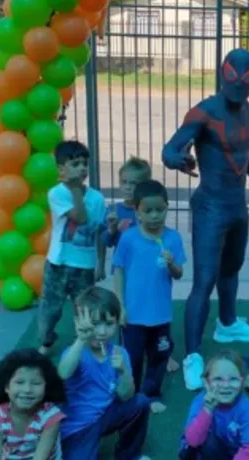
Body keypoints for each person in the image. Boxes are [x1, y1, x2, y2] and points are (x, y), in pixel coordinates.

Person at [162, 48, 249, 390]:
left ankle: (227, 323)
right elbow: (169, 149)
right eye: (234, 77)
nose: (240, 85)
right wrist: (179, 160)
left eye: (248, 78)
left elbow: (244, 151)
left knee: (232, 268)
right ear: (223, 74)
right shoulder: (204, 111)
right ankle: (192, 355)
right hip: (211, 207)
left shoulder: (245, 108)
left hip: (236, 205)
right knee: (204, 280)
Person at [112, 180, 186, 415]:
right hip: (133, 315)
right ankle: (130, 394)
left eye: (160, 210)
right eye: (148, 210)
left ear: (167, 208)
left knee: (159, 356)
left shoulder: (173, 239)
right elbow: (118, 271)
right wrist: (120, 306)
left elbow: (179, 274)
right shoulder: (129, 238)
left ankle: (151, 394)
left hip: (160, 315)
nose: (155, 216)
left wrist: (172, 264)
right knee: (132, 357)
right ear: (137, 211)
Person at [102, 158, 181, 374]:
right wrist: (111, 229)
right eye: (124, 182)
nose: (129, 187)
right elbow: (107, 242)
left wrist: (170, 262)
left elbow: (172, 262)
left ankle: (163, 353)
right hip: (127, 269)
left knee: (154, 315)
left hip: (148, 271)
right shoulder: (115, 211)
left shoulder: (153, 213)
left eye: (134, 183)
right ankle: (125, 359)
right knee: (130, 321)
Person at [57, 286, 151, 460]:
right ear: (78, 322)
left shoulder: (119, 353)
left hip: (106, 413)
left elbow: (126, 396)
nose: (102, 332)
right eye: (95, 324)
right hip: (79, 426)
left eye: (109, 324)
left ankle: (129, 455)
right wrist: (81, 340)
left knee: (141, 402)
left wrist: (123, 371)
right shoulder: (75, 352)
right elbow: (63, 373)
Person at [39, 141, 107, 356]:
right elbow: (80, 217)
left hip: (84, 266)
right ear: (61, 169)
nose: (82, 168)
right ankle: (46, 340)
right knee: (51, 308)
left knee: (85, 309)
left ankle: (85, 342)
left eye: (85, 164)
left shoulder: (97, 198)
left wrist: (101, 263)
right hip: (58, 263)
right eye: (75, 164)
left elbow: (100, 232)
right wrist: (76, 189)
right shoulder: (57, 194)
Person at [180, 350, 249, 459]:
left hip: (232, 451)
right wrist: (207, 410)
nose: (226, 385)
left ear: (242, 381)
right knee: (204, 446)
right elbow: (193, 441)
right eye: (218, 379)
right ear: (206, 382)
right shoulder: (201, 402)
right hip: (203, 450)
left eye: (233, 379)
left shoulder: (245, 406)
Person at [0, 348, 67, 460]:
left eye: (36, 383)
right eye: (19, 382)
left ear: (46, 387)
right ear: (6, 387)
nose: (27, 389)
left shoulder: (51, 417)